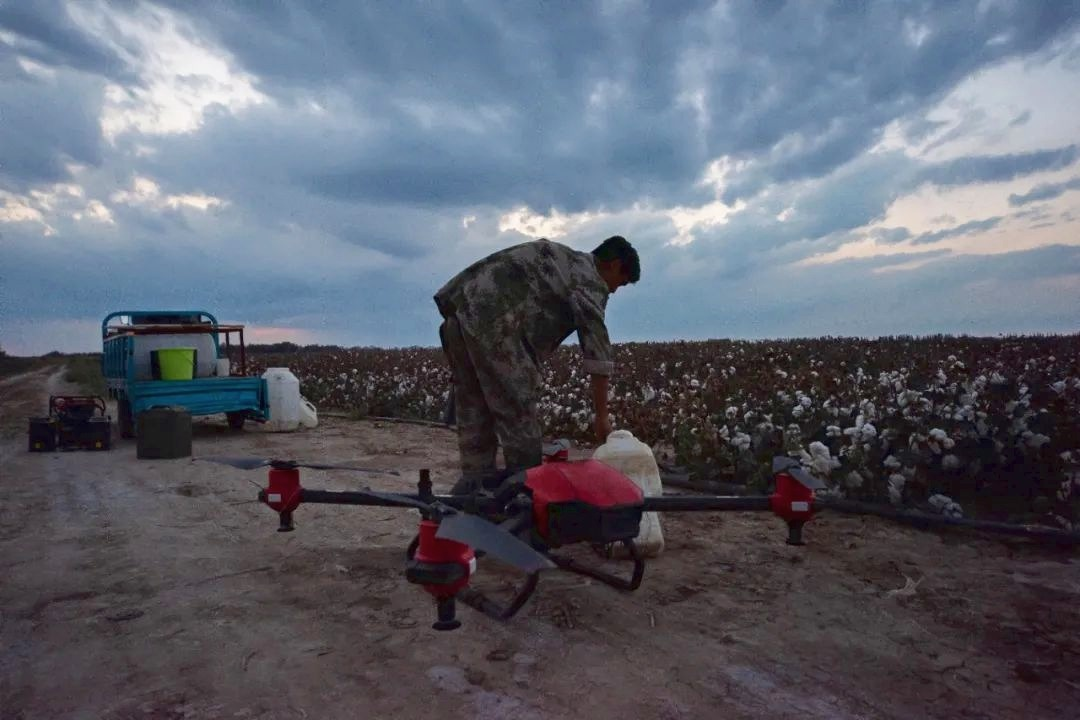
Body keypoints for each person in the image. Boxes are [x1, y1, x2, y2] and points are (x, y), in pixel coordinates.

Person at [434, 235, 640, 492]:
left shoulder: (562, 260)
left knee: (475, 410)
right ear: (614, 265)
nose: (612, 291)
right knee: (519, 417)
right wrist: (601, 417)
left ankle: (475, 492)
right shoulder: (589, 278)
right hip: (495, 325)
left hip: (460, 314)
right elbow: (597, 350)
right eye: (619, 284)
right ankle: (526, 495)